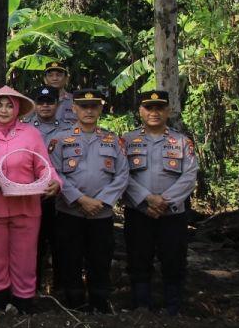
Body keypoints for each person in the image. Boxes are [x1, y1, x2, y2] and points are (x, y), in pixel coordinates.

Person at [0, 86, 62, 314]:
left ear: (17, 109)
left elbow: (45, 166)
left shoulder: (31, 133)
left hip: (26, 204)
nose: (4, 110)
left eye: (9, 105)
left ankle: (24, 299)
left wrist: (56, 182)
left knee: (24, 255)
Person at [49, 88, 128, 313]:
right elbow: (54, 173)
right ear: (74, 108)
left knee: (100, 259)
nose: (89, 110)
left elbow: (123, 175)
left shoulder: (113, 140)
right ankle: (75, 303)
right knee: (70, 258)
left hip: (101, 214)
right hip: (70, 212)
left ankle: (100, 303)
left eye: (94, 106)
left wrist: (101, 201)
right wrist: (80, 199)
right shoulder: (60, 140)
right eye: (84, 106)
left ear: (101, 109)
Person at [122, 90, 198, 315]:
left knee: (173, 259)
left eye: (159, 108)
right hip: (138, 211)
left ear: (168, 111)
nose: (154, 112)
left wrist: (165, 201)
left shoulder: (182, 141)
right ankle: (141, 305)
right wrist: (147, 199)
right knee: (138, 257)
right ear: (140, 111)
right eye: (148, 108)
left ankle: (173, 307)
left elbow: (189, 175)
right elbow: (121, 174)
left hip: (172, 213)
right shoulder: (126, 140)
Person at [31, 85, 72, 294]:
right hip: (33, 196)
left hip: (61, 196)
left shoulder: (69, 130)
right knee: (35, 245)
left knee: (61, 244)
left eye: (50, 102)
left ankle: (60, 288)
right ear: (35, 105)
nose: (45, 106)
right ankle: (33, 288)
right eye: (41, 102)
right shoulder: (25, 128)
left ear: (57, 104)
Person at [42, 61, 78, 125]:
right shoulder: (36, 103)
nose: (55, 78)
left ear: (66, 79)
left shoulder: (76, 101)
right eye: (50, 75)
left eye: (59, 75)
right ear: (45, 79)